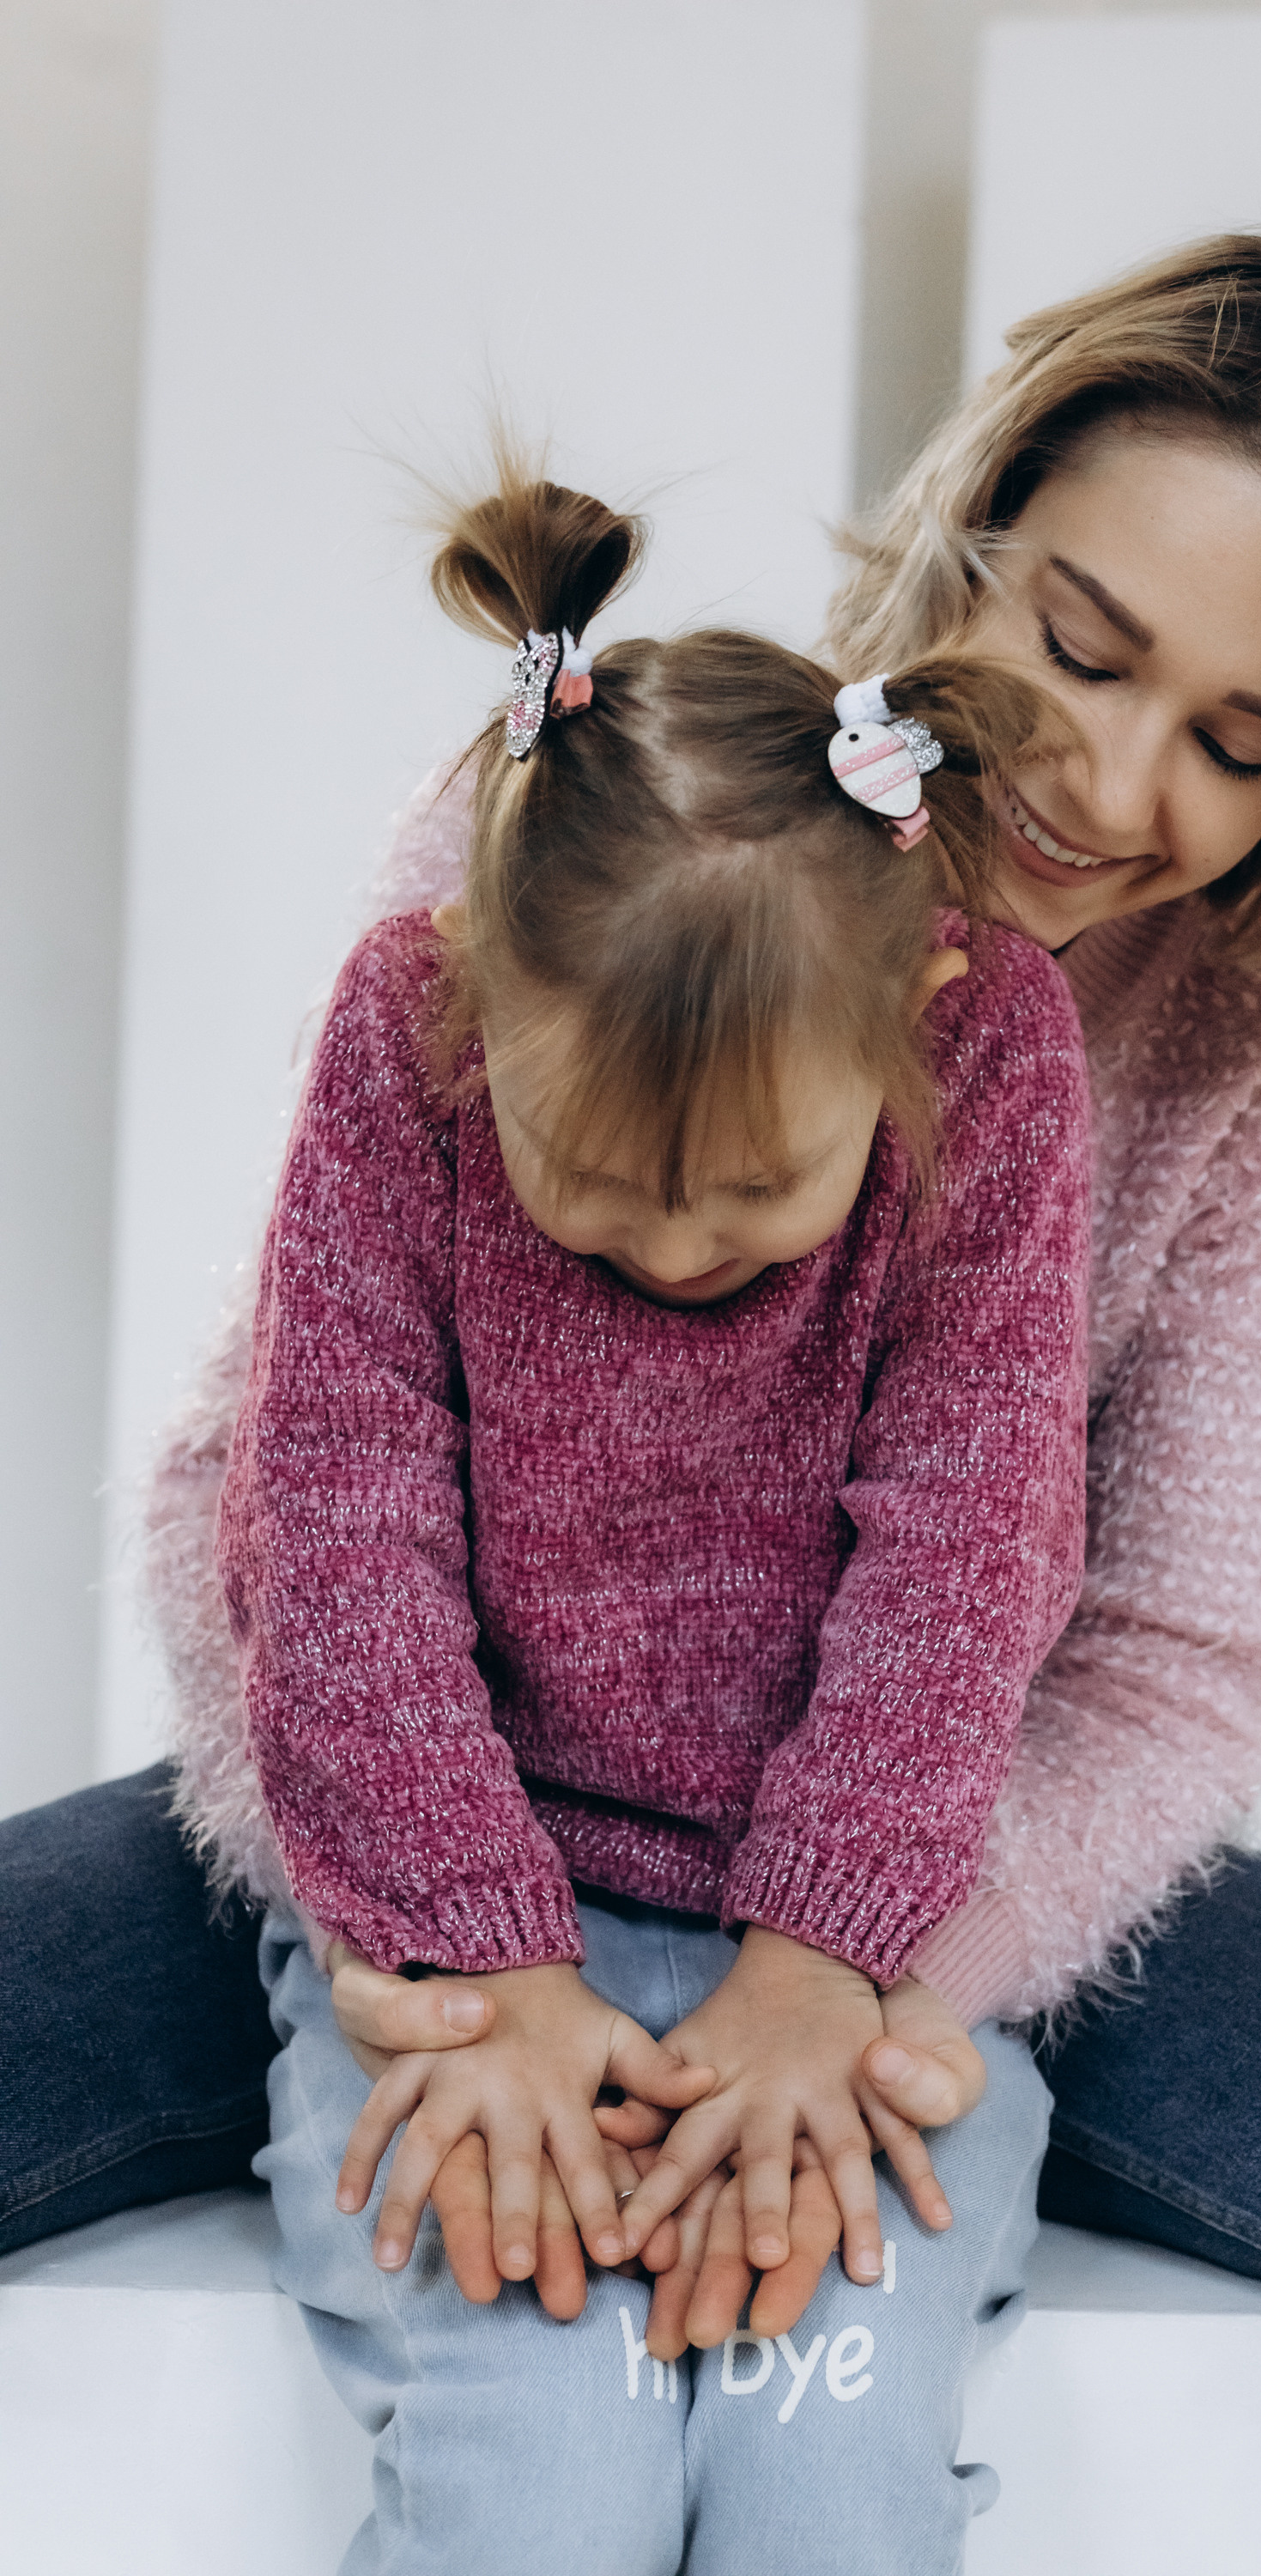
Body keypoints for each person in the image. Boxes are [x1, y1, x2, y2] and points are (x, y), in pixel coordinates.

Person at [3, 234, 1261, 2572]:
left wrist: (855, 1990)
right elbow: (280, 1484)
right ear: (969, 531)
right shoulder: (605, 820)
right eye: (1083, 649)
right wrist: (446, 1952)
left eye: (1242, 740)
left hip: (953, 1854)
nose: (1111, 781)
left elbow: (1162, 1666)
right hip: (430, 1791)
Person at [207, 462, 1092, 2573]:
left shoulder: (1000, 1061)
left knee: (824, 2480)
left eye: (753, 1191)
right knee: (544, 2464)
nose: (673, 1243)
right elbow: (331, 1524)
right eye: (591, 1179)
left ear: (915, 1049)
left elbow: (971, 1548)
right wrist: (485, 1961)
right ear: (470, 1015)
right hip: (475, 1919)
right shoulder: (389, 1034)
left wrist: (821, 1970)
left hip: (843, 1956)